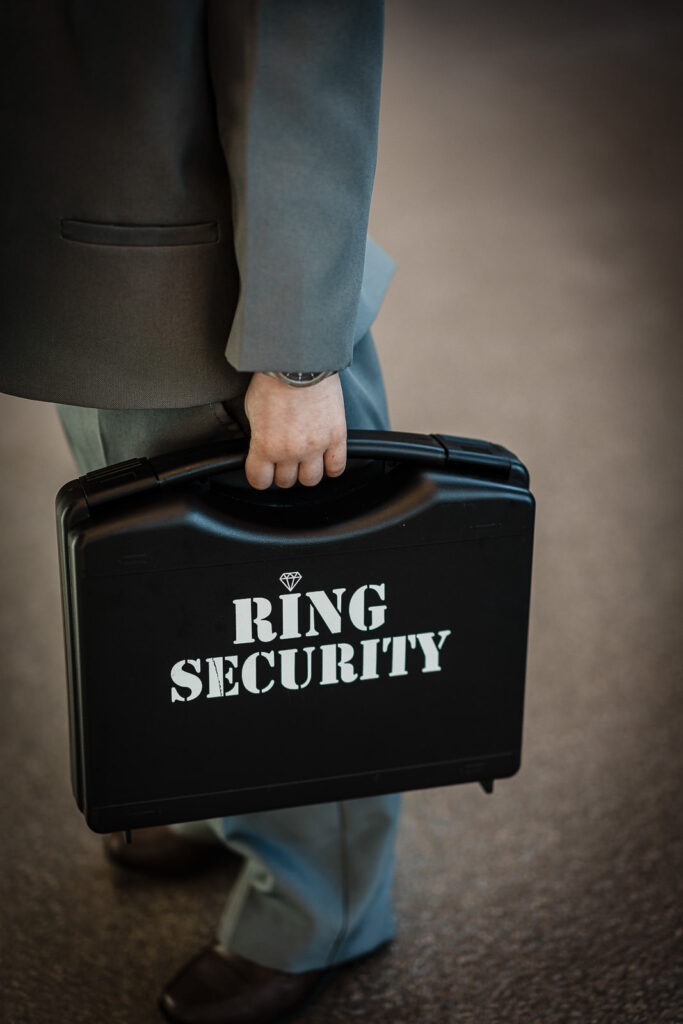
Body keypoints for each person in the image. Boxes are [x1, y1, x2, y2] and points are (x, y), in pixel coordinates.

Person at [0, 3, 400, 1022]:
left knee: (292, 624)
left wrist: (296, 352)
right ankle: (228, 800)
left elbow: (299, 42)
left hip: (209, 286)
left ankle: (324, 903)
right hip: (87, 266)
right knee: (166, 592)